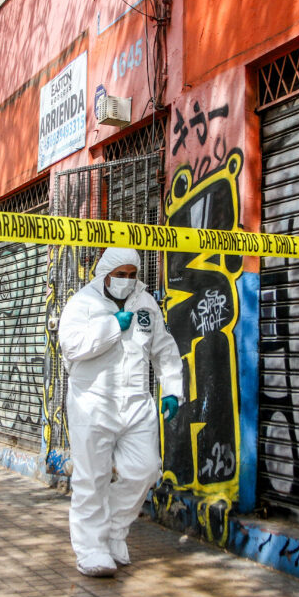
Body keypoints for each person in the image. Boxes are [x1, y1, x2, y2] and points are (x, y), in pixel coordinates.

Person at [58, 247, 185, 577]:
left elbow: (163, 348)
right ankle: (91, 549)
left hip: (136, 402)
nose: (127, 281)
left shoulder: (146, 303)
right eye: (120, 275)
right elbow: (71, 346)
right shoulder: (82, 303)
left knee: (145, 470)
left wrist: (172, 389)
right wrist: (111, 326)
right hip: (92, 401)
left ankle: (114, 532)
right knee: (92, 478)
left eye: (132, 275)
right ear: (105, 274)